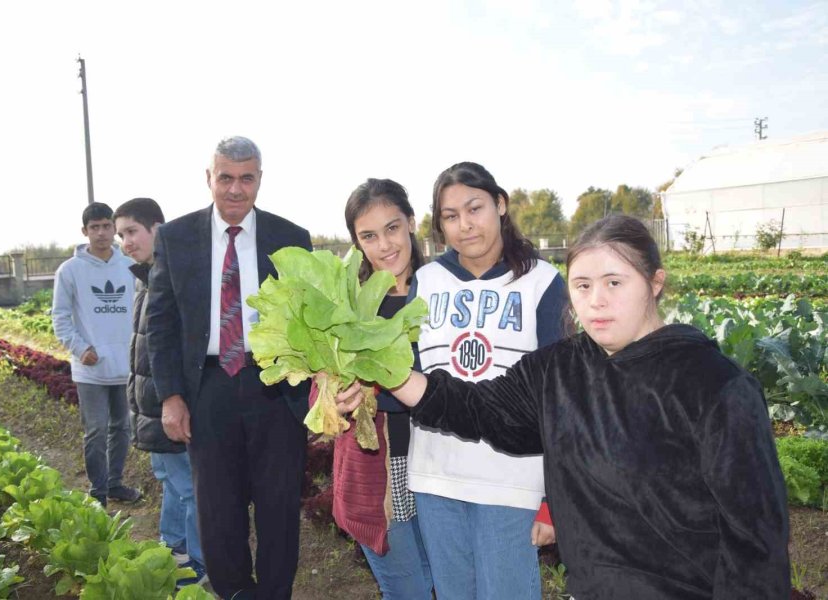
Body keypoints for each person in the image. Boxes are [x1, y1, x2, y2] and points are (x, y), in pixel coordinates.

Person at [340, 214, 791, 599]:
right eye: (583, 284)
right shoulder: (559, 370)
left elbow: (756, 544)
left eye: (615, 282)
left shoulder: (714, 386)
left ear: (655, 283)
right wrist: (393, 373)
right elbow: (478, 409)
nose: (596, 300)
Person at [146, 136, 312, 600]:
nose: (235, 189)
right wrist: (171, 397)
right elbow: (160, 322)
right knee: (217, 507)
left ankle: (275, 593)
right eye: (226, 178)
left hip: (275, 386)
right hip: (208, 388)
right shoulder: (177, 238)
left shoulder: (291, 239)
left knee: (279, 504)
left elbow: (310, 319)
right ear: (209, 178)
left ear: (260, 179)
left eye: (246, 178)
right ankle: (235, 593)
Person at [399, 162, 563, 599]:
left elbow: (557, 399)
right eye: (450, 216)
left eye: (475, 208)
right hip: (436, 476)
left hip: (513, 479)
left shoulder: (542, 283)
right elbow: (406, 379)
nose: (465, 225)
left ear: (501, 205)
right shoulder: (427, 281)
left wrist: (553, 500)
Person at [326, 178, 433, 598]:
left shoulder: (445, 292)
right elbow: (320, 392)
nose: (385, 245)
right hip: (380, 475)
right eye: (368, 236)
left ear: (411, 222)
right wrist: (334, 399)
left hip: (445, 469)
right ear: (356, 242)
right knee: (408, 592)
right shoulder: (346, 307)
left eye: (392, 228)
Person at [113, 198, 207, 588]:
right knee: (173, 481)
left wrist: (176, 402)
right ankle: (173, 546)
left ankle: (198, 563)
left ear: (157, 229)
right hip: (152, 407)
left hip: (171, 407)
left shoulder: (175, 278)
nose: (125, 242)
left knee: (190, 488)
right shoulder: (145, 277)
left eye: (132, 232)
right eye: (121, 235)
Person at [52, 201, 141, 507]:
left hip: (125, 364)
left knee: (122, 427)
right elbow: (60, 316)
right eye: (95, 227)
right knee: (96, 431)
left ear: (114, 228)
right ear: (84, 231)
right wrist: (80, 348)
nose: (102, 233)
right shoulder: (70, 270)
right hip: (90, 366)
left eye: (107, 226)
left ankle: (115, 483)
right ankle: (97, 491)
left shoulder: (130, 265)